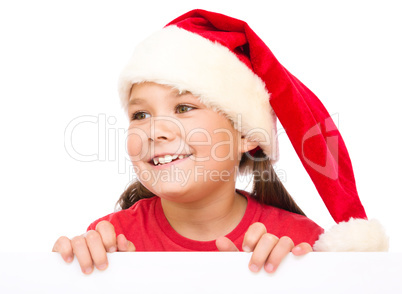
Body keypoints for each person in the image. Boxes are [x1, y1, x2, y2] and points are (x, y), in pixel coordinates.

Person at [53, 9, 388, 275]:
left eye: (184, 108)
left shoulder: (299, 247)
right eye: (140, 115)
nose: (155, 130)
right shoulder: (109, 242)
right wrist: (62, 274)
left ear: (244, 134)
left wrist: (291, 281)